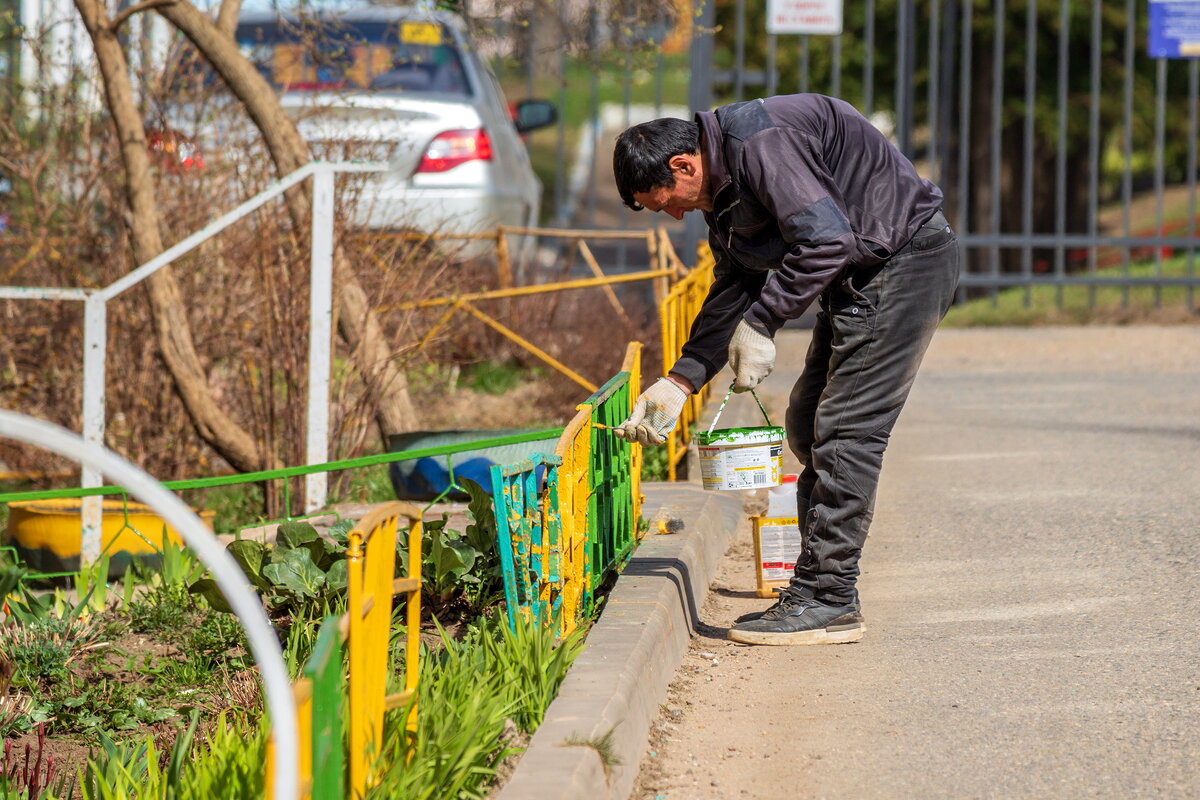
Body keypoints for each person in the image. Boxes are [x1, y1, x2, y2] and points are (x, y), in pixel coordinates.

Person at [611, 94, 959, 646]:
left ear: (682, 165)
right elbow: (734, 287)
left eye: (666, 202)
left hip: (904, 263)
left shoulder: (757, 143)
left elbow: (826, 240)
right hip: (864, 275)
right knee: (805, 422)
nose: (674, 214)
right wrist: (680, 380)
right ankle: (817, 588)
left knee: (844, 433)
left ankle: (828, 597)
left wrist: (765, 322)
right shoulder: (723, 191)